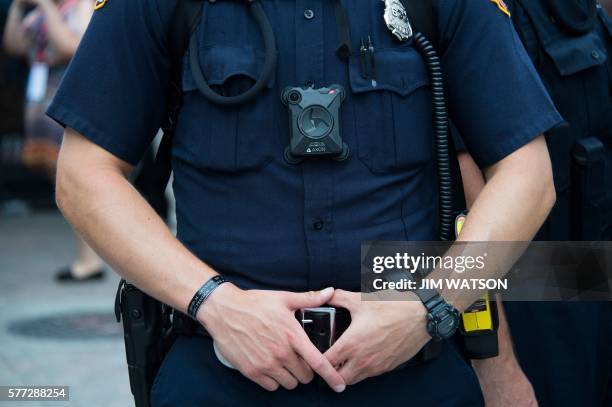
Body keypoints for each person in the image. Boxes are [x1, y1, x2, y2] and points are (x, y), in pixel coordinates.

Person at [50, 0, 562, 405]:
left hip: (411, 374)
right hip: (222, 375)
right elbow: (83, 175)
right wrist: (216, 303)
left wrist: (427, 307)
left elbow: (527, 174)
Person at [459, 1, 612, 405]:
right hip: (525, 296)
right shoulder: (468, 15)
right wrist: (496, 365)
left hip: (589, 271)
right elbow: (466, 198)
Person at [2, 0, 105, 281]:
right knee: (59, 180)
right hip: (41, 101)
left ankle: (90, 260)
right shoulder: (36, 9)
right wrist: (16, 8)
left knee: (75, 179)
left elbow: (72, 48)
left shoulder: (81, 5)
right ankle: (87, 255)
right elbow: (15, 46)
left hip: (68, 102)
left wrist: (45, 7)